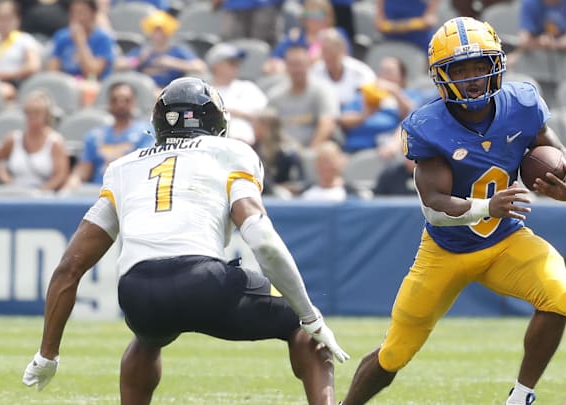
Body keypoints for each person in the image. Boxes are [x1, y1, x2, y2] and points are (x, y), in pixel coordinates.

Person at [22, 77, 349, 404]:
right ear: (216, 120)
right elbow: (262, 240)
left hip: (137, 293)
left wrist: (47, 353)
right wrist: (310, 317)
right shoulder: (230, 152)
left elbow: (69, 267)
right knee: (303, 327)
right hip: (202, 281)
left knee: (147, 340)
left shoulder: (123, 167)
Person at [341, 17, 566, 405]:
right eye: (460, 69)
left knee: (561, 296)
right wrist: (488, 206)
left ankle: (520, 398)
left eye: (480, 66)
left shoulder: (522, 104)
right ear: (442, 76)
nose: (472, 77)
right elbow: (434, 208)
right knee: (395, 353)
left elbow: (553, 150)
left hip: (506, 241)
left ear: (496, 65)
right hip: (445, 252)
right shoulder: (427, 125)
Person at [62, 82, 154, 190]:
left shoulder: (145, 133)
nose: (121, 104)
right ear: (109, 103)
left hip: (130, 189)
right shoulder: (95, 135)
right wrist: (74, 179)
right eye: (115, 100)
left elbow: (146, 167)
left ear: (134, 103)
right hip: (99, 192)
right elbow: (85, 167)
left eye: (126, 100)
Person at [0, 90, 69, 190]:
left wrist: (42, 191)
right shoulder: (13, 139)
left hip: (43, 197)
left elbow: (61, 175)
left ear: (46, 115)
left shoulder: (55, 142)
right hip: (15, 194)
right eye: (28, 112)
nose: (31, 116)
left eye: (37, 112)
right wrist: (7, 180)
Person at [268, 44, 339, 148]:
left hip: (315, 151)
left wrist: (310, 152)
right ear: (286, 67)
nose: (296, 70)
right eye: (292, 64)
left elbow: (327, 124)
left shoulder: (322, 91)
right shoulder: (276, 95)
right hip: (283, 152)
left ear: (309, 65)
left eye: (300, 64)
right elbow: (267, 126)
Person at [46, 0, 116, 102]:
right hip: (66, 87)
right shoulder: (62, 36)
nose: (76, 17)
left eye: (81, 12)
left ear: (93, 14)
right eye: (73, 13)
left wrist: (81, 43)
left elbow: (92, 73)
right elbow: (52, 72)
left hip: (94, 87)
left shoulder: (103, 38)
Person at [116, 10, 205, 89]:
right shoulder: (144, 51)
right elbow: (119, 64)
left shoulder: (177, 50)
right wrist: (138, 60)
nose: (158, 35)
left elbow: (200, 66)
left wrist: (173, 63)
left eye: (161, 31)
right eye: (155, 31)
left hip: (171, 90)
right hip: (145, 91)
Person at [510, 0, 566, 73]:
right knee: (509, 62)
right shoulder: (530, 2)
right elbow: (523, 38)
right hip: (540, 45)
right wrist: (539, 42)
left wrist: (553, 44)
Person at [207, 43, 268, 145]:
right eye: (231, 63)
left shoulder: (248, 87)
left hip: (251, 147)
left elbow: (266, 116)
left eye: (238, 63)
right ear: (217, 65)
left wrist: (236, 113)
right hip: (216, 146)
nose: (237, 66)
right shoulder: (205, 91)